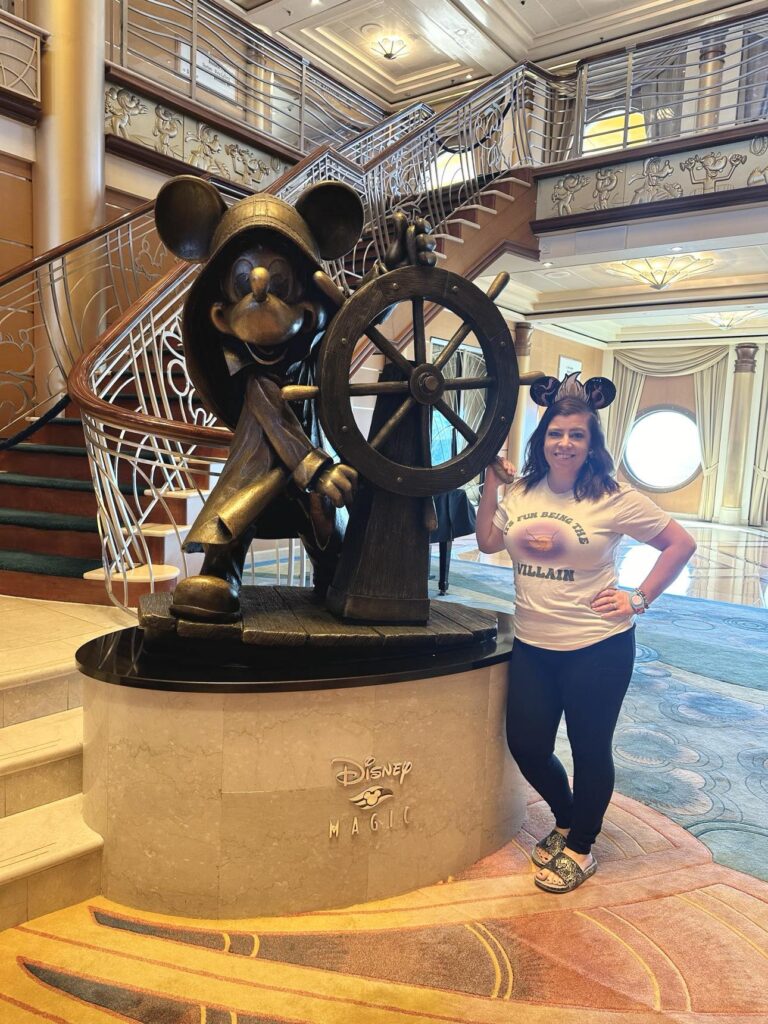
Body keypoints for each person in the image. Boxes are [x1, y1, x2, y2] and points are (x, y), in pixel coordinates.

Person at [476, 373, 697, 893]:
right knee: (527, 744)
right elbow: (487, 541)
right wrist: (491, 484)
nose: (565, 443)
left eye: (577, 435)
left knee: (590, 747)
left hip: (597, 646)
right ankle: (566, 814)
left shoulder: (614, 497)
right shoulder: (524, 490)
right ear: (542, 439)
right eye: (556, 433)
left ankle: (581, 847)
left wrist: (637, 598)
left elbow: (680, 544)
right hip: (533, 643)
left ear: (592, 444)